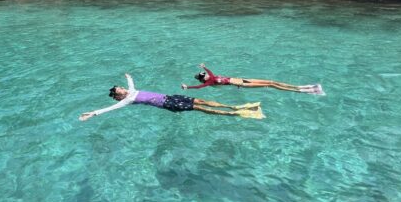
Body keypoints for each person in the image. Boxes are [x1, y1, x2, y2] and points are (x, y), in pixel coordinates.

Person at [79, 73, 264, 121]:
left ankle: (236, 107)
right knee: (201, 108)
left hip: (171, 96)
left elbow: (130, 84)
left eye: (120, 87)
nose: (121, 89)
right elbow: (109, 109)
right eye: (119, 90)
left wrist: (128, 78)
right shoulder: (128, 100)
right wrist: (92, 113)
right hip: (169, 104)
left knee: (202, 101)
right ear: (119, 96)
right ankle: (238, 114)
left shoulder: (131, 91)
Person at [181, 63, 325, 96]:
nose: (205, 74)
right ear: (203, 78)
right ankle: (304, 91)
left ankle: (299, 86)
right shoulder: (209, 82)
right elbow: (199, 88)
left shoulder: (211, 76)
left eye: (203, 73)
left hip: (242, 79)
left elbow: (210, 72)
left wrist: (205, 67)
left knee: (271, 81)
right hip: (242, 85)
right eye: (203, 74)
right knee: (271, 85)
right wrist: (188, 87)